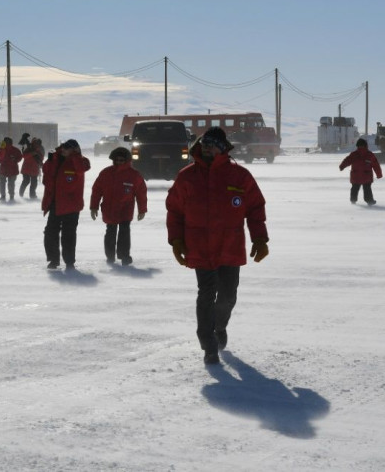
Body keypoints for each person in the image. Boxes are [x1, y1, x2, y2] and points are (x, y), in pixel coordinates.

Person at [166, 127, 269, 365]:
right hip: (199, 246)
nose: (208, 147)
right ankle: (208, 344)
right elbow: (175, 210)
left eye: (213, 144)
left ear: (223, 148)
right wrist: (176, 240)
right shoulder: (187, 176)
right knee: (206, 294)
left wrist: (260, 238)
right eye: (205, 143)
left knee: (227, 297)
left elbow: (255, 209)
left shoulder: (240, 176)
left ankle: (219, 327)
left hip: (230, 246)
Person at [89, 147, 148, 266]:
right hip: (109, 209)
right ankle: (110, 257)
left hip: (125, 210)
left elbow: (141, 194)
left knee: (124, 233)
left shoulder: (134, 175)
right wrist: (93, 207)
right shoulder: (106, 173)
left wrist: (142, 210)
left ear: (126, 160)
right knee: (110, 232)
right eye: (117, 160)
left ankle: (124, 256)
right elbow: (96, 191)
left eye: (122, 160)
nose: (119, 162)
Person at [41, 139, 91, 270]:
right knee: (50, 233)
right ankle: (53, 260)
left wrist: (75, 155)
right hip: (55, 203)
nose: (63, 149)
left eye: (67, 148)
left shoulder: (81, 161)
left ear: (74, 150)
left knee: (68, 234)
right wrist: (51, 159)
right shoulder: (55, 159)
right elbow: (46, 174)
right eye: (63, 147)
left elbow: (81, 168)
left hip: (71, 205)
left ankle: (69, 262)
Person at [339, 138, 383, 205]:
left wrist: (342, 166)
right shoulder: (370, 155)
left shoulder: (354, 154)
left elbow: (347, 161)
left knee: (354, 188)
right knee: (367, 189)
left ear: (357, 145)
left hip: (355, 175)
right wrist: (379, 174)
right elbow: (376, 165)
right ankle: (369, 201)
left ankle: (353, 201)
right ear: (366, 145)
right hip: (367, 176)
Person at [0, 137, 23, 202]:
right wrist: (1, 161)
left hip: (11, 169)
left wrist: (15, 160)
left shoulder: (13, 150)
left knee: (9, 184)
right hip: (6, 169)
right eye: (6, 142)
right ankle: (5, 196)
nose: (7, 143)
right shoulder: (1, 149)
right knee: (5, 184)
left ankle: (9, 196)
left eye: (8, 142)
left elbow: (20, 157)